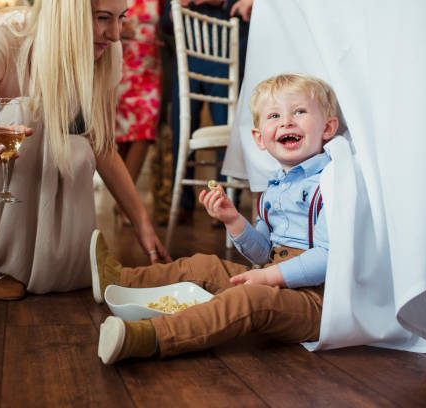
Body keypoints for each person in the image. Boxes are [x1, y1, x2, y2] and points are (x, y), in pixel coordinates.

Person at [92, 73, 339, 364]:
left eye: (299, 111)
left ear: (328, 127)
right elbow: (263, 252)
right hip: (276, 282)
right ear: (259, 138)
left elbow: (327, 258)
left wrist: (268, 276)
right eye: (274, 115)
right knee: (204, 265)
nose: (286, 121)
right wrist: (233, 220)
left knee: (246, 300)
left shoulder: (329, 181)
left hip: (315, 302)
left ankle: (150, 337)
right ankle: (120, 279)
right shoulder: (274, 187)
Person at [0, 0, 171, 301]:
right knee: (20, 119)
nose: (115, 34)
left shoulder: (106, 53)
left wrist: (142, 223)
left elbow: (103, 147)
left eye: (121, 18)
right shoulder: (2, 36)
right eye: (103, 18)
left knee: (78, 149)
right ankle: (5, 264)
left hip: (40, 176)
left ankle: (52, 262)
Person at [161, 0, 251, 223]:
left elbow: (242, 9)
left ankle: (226, 201)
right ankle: (183, 204)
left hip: (227, 54)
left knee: (227, 131)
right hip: (187, 60)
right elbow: (164, 22)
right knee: (181, 130)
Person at [113, 0, 162, 226]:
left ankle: (126, 203)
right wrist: (119, 26)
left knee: (144, 134)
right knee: (122, 139)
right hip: (119, 68)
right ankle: (123, 199)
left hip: (150, 71)